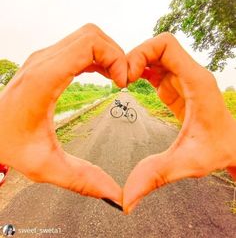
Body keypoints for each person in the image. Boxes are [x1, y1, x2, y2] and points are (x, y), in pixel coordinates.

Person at [0, 24, 235, 214]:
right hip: (123, 94)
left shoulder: (124, 92)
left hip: (124, 94)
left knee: (122, 104)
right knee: (120, 104)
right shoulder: (121, 93)